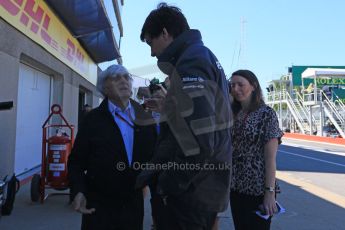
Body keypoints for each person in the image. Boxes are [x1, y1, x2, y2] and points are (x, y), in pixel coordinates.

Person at [137, 3, 232, 230]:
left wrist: (169, 184)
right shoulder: (201, 56)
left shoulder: (192, 61)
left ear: (165, 33)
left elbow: (199, 142)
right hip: (202, 190)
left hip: (191, 194)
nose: (151, 52)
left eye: (151, 42)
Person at [68, 64, 157, 230]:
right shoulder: (92, 120)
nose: (124, 81)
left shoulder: (145, 118)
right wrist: (78, 191)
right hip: (99, 205)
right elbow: (76, 161)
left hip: (132, 204)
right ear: (105, 88)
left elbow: (155, 159)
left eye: (126, 77)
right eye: (116, 78)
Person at [229, 70, 283, 230]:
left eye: (241, 84)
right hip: (236, 186)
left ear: (253, 86)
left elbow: (270, 158)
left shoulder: (266, 114)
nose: (236, 89)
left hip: (258, 188)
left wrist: (269, 193)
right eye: (232, 85)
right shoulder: (233, 113)